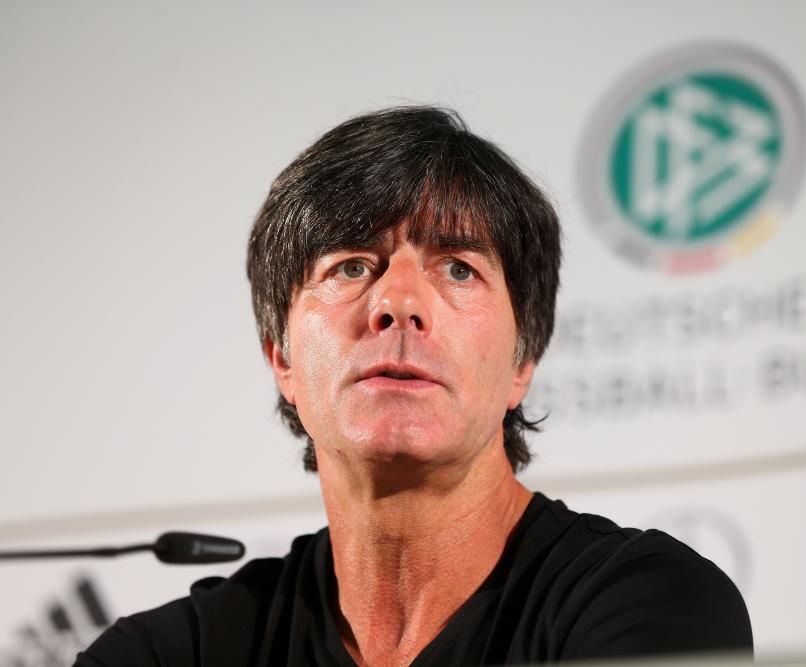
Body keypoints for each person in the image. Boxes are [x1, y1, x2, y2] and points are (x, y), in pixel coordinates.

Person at [77, 106, 752, 666]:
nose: (398, 302)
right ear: (281, 358)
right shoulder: (172, 654)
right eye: (351, 265)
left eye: (458, 268)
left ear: (522, 361)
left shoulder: (649, 605)